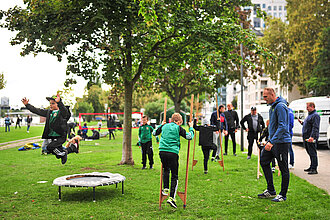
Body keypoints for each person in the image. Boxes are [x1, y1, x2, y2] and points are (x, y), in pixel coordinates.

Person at [153, 113, 194, 209]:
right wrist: (191, 128)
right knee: (174, 175)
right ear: (179, 122)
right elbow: (189, 137)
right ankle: (172, 198)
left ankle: (166, 189)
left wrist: (161, 125)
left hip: (162, 151)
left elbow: (154, 133)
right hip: (172, 152)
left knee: (166, 170)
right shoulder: (178, 128)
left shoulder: (164, 126)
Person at [258, 88, 291, 202]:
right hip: (273, 141)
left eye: (266, 96)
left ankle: (283, 195)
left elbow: (283, 127)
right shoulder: (272, 106)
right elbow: (273, 125)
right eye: (263, 96)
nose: (264, 99)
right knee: (264, 161)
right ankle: (271, 190)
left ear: (272, 94)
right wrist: (265, 136)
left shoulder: (280, 106)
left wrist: (271, 141)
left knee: (283, 168)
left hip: (281, 142)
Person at [21, 94, 75, 164]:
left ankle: (64, 154)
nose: (51, 105)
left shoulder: (63, 113)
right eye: (50, 103)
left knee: (50, 147)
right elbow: (37, 111)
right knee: (57, 150)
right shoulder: (49, 112)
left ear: (58, 104)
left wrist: (59, 102)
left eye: (53, 103)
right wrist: (27, 105)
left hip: (61, 136)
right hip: (52, 136)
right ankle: (70, 149)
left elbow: (65, 112)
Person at [298, 102, 320, 175]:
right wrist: (302, 123)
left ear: (312, 106)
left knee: (313, 153)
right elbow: (308, 124)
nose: (306, 108)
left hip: (310, 138)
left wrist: (312, 137)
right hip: (306, 137)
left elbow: (315, 127)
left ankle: (314, 168)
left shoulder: (315, 115)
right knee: (310, 152)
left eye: (307, 107)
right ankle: (311, 166)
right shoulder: (310, 115)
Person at [288, 105, 295, 169]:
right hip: (288, 132)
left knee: (289, 148)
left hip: (288, 133)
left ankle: (291, 163)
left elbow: (291, 124)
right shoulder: (289, 111)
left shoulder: (289, 112)